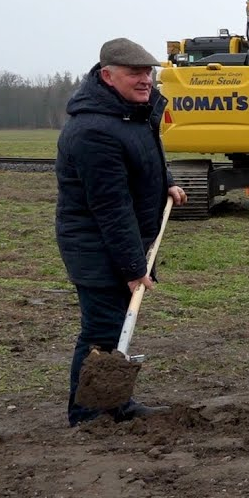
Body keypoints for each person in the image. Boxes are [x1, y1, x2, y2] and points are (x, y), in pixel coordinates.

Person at [56, 37, 188, 427]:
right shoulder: (95, 130)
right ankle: (88, 414)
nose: (145, 79)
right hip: (96, 245)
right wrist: (133, 267)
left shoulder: (131, 114)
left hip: (121, 242)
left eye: (148, 71)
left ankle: (115, 404)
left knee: (113, 328)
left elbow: (146, 157)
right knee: (101, 331)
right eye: (135, 73)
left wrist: (165, 182)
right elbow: (110, 207)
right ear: (107, 75)